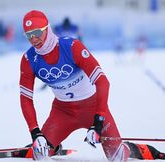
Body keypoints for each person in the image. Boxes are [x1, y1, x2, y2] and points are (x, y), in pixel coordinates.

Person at [19, 10, 130, 161]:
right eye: (28, 35)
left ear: (47, 28)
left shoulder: (72, 46)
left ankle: (135, 148)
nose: (33, 39)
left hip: (92, 107)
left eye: (37, 32)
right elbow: (25, 98)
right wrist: (35, 132)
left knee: (118, 157)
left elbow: (103, 82)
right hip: (62, 112)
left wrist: (98, 120)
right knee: (39, 156)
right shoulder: (28, 59)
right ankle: (54, 146)